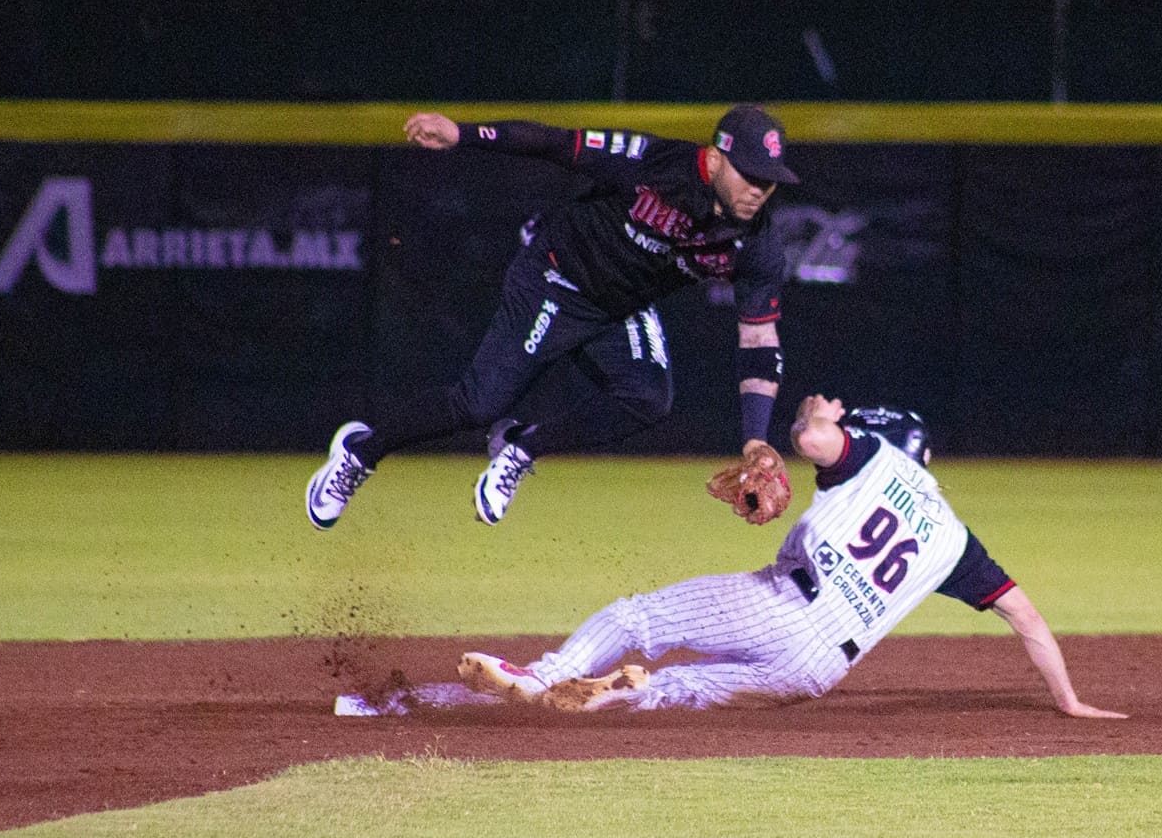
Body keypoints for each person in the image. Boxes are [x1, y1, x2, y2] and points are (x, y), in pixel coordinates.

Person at [453, 395, 1128, 717]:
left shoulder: (874, 456)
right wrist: (1069, 701)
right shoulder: (955, 541)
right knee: (678, 690)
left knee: (638, 619)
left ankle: (544, 678)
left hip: (780, 606)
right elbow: (1026, 618)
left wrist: (813, 415)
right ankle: (616, 694)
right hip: (816, 669)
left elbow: (810, 440)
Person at [306, 104, 800, 530]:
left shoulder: (758, 247)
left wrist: (756, 438)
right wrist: (463, 133)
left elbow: (759, 339)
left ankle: (521, 448)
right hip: (556, 276)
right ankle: (360, 452)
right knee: (478, 405)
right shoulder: (656, 162)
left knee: (648, 397)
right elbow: (554, 143)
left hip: (621, 306)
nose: (759, 190)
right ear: (713, 159)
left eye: (769, 180)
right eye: (750, 174)